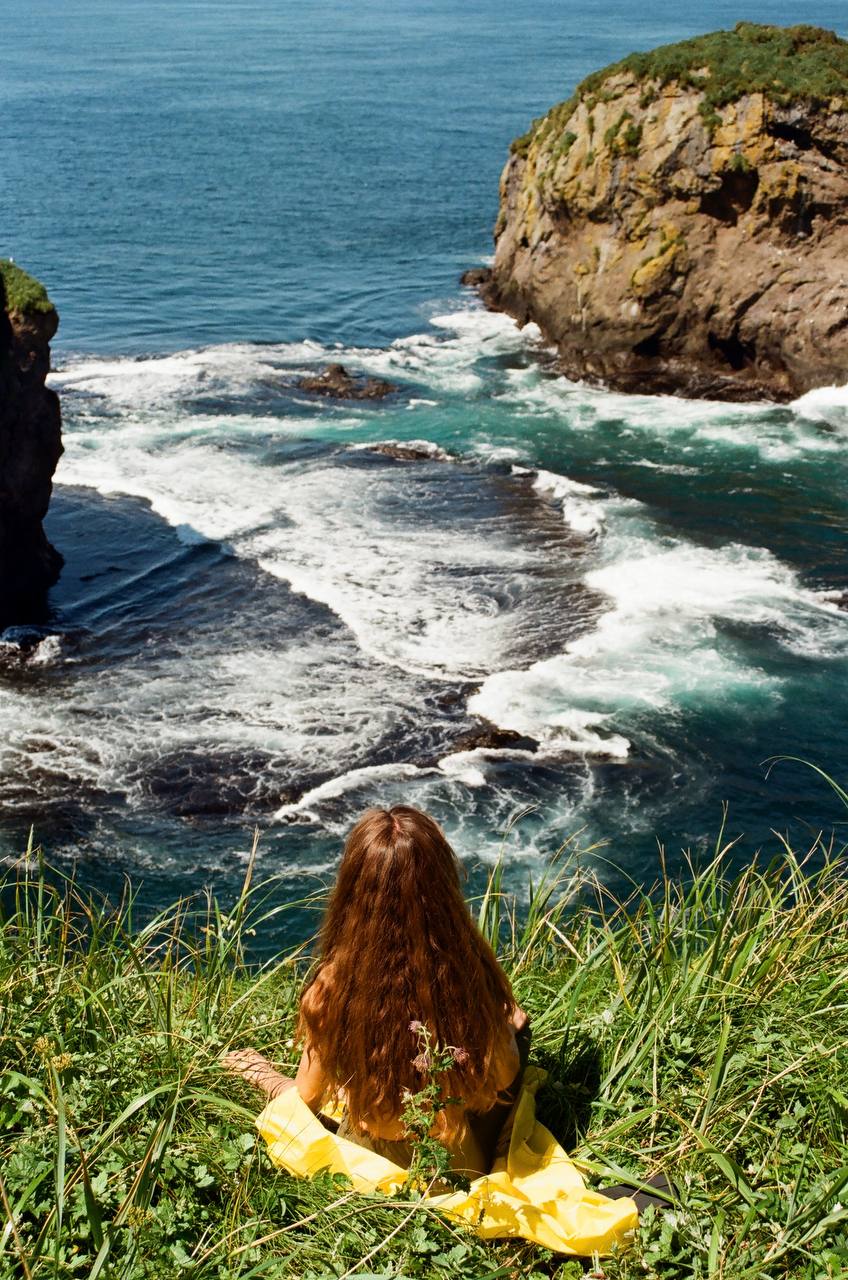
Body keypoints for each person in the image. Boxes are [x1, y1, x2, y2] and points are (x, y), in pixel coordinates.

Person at [223, 805, 530, 1180]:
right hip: (459, 1166)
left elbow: (306, 1098)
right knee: (517, 1022)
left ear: (353, 891)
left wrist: (260, 1073)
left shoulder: (332, 988)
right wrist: (507, 1030)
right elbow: (503, 1076)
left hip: (373, 1163)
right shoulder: (466, 975)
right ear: (442, 890)